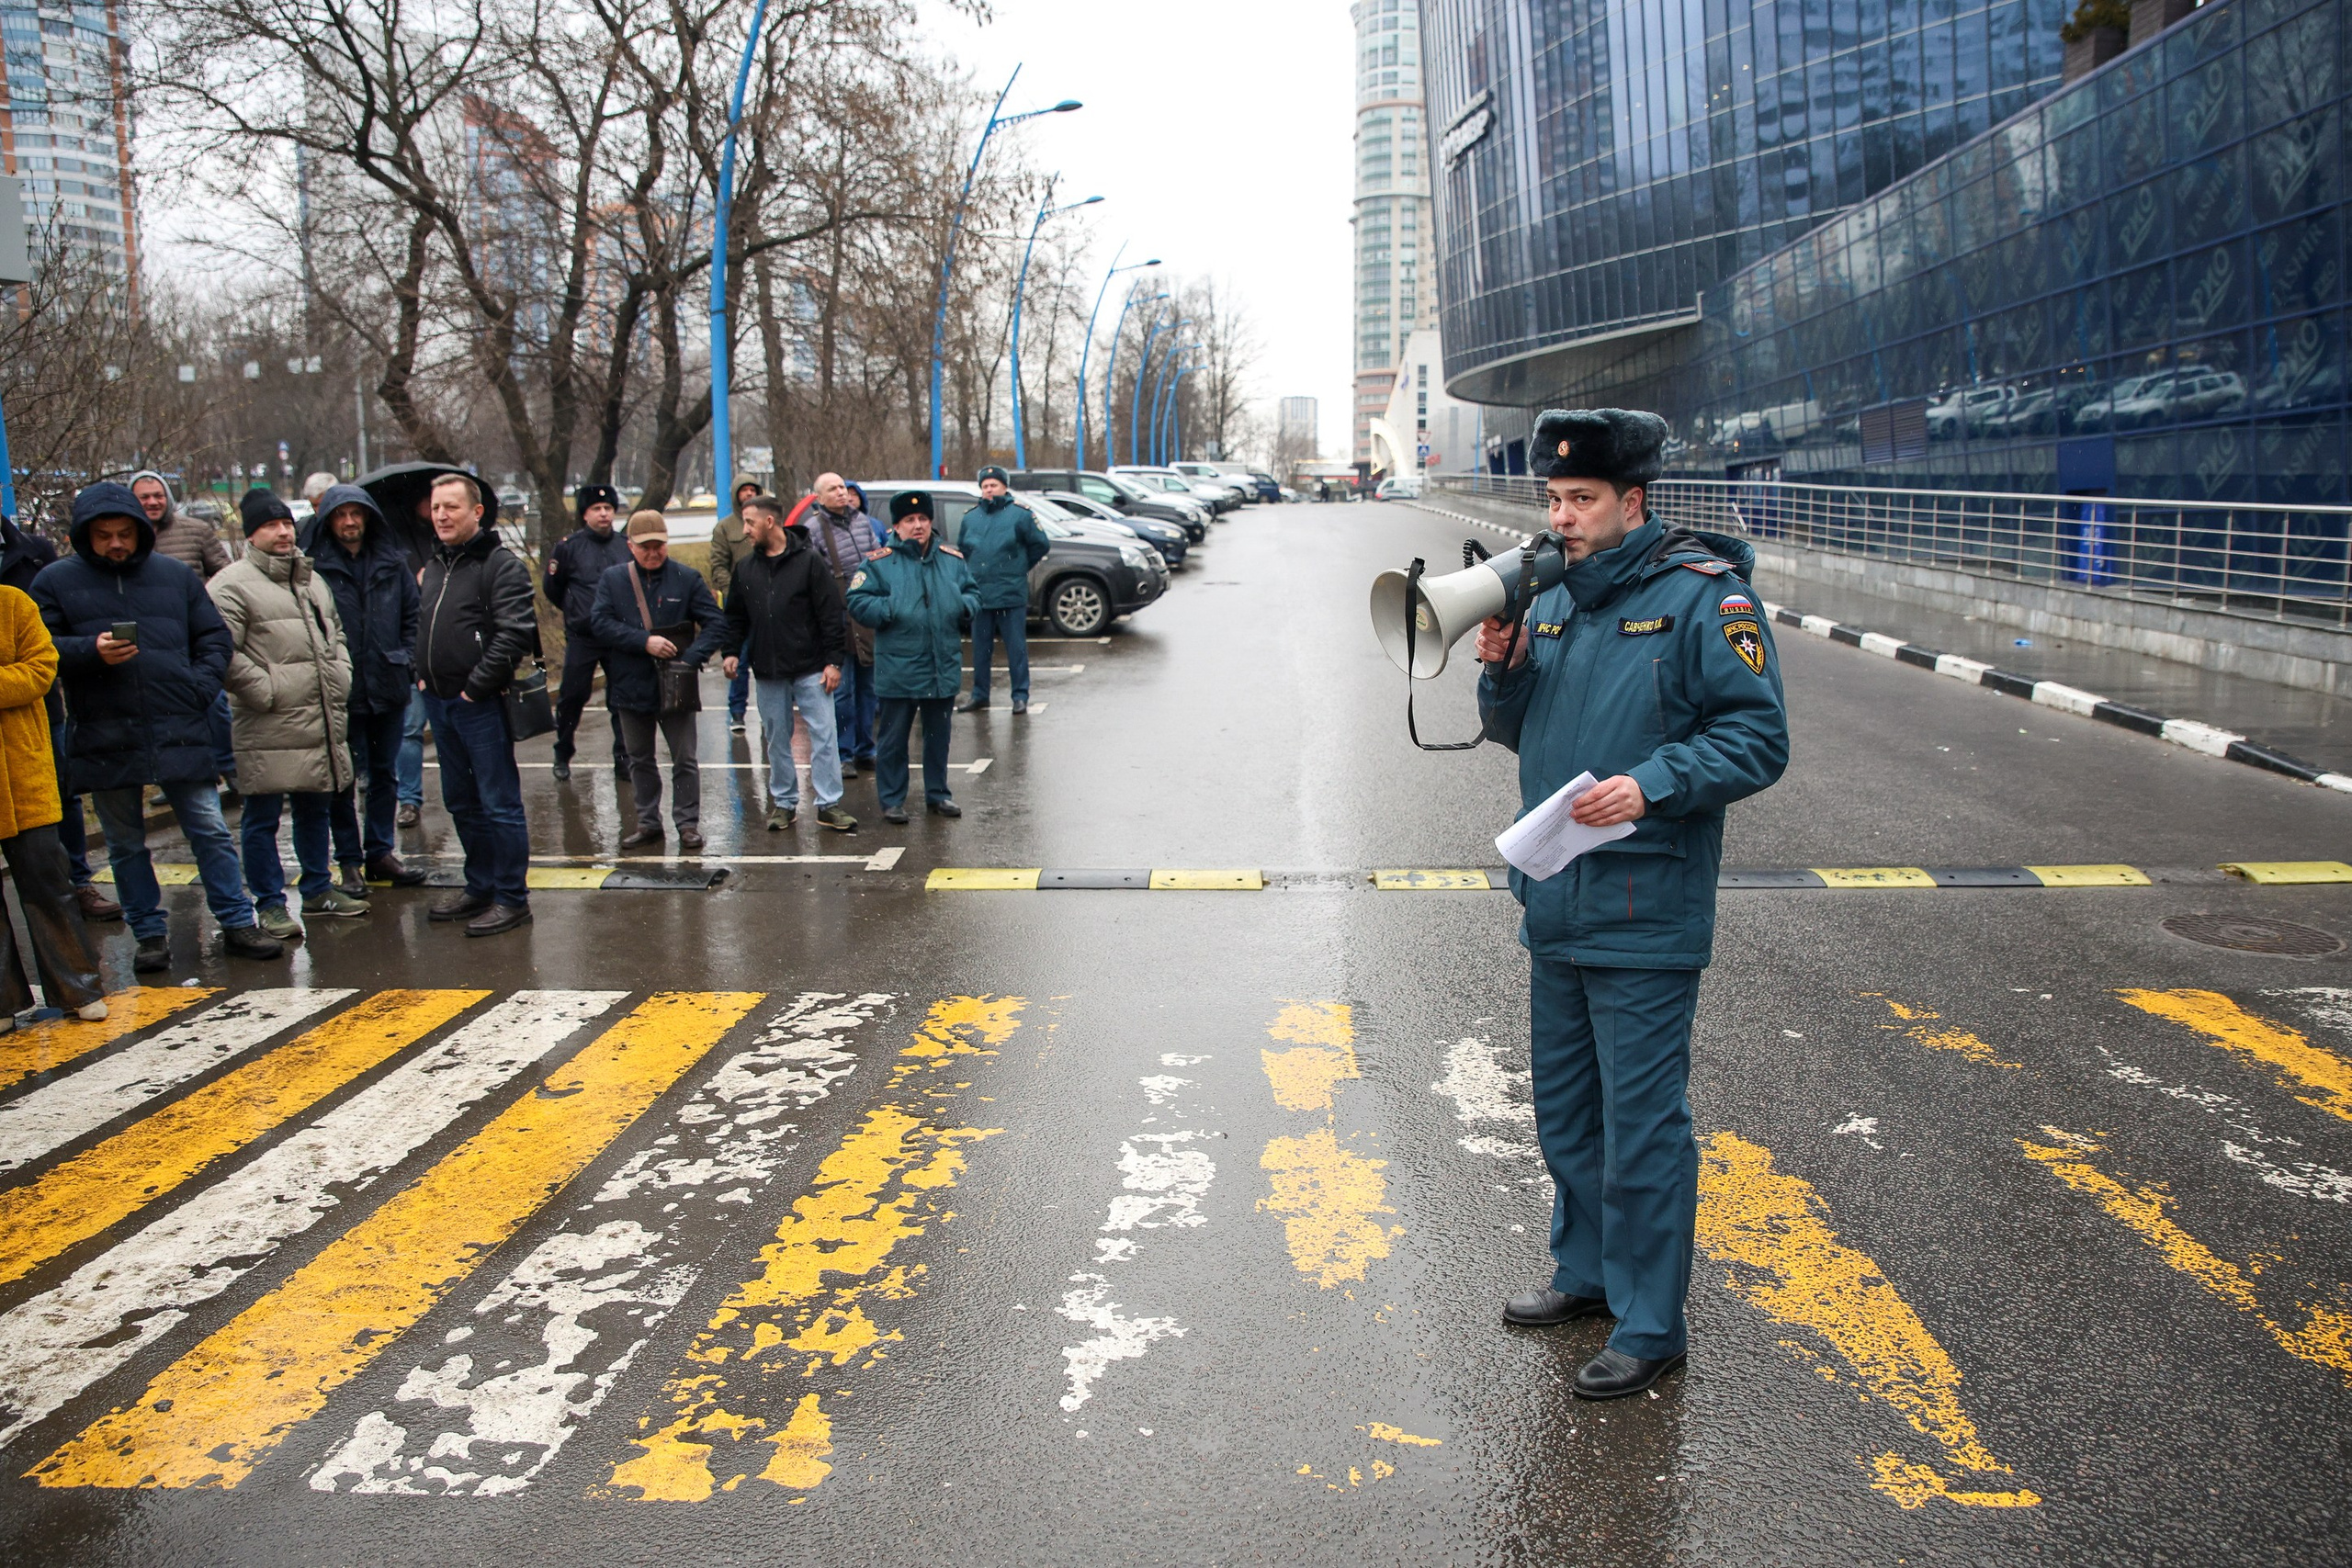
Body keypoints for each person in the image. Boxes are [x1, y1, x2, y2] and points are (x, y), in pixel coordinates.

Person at [1475, 409, 1789, 1400]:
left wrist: (1654, 782)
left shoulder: (1706, 602)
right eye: (1554, 500)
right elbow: (1513, 731)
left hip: (1645, 910)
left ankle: (1652, 1323)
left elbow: (1756, 740)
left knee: (1644, 1126)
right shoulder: (1555, 598)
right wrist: (1503, 668)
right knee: (1568, 1113)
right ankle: (1586, 1275)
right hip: (1558, 894)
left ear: (1632, 502)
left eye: (1581, 500)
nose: (1561, 518)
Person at [32, 482, 282, 970]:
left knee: (209, 829)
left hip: (179, 722)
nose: (116, 544)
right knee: (125, 843)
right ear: (85, 536)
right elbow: (41, 648)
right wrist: (90, 652)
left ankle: (236, 922)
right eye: (104, 535)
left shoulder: (172, 576)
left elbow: (213, 636)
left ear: (141, 532)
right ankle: (149, 934)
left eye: (125, 533)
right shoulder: (56, 581)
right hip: (105, 730)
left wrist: (199, 686)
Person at [212, 489, 366, 937]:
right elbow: (220, 650)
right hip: (267, 721)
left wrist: (341, 673)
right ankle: (270, 903)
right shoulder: (230, 585)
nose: (282, 532)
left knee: (315, 807)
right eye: (270, 525)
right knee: (261, 817)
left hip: (318, 715)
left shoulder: (310, 578)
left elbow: (334, 633)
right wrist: (267, 688)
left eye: (286, 524)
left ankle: (318, 888)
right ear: (251, 534)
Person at [414, 471, 536, 936]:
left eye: (452, 507)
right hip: (439, 703)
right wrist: (420, 675)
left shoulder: (499, 564)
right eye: (437, 507)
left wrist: (474, 689)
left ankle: (511, 897)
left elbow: (513, 635)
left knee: (498, 803)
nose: (442, 515)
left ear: (477, 512)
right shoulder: (437, 565)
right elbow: (420, 625)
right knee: (461, 802)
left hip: (478, 705)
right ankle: (480, 885)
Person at [308, 484, 427, 892]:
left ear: (368, 518)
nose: (349, 522)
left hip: (389, 683)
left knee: (384, 775)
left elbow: (413, 615)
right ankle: (349, 861)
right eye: (341, 515)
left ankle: (379, 852)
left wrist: (406, 658)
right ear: (329, 521)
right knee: (342, 779)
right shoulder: (316, 567)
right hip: (341, 688)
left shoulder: (393, 562)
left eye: (356, 514)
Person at [0, 510, 116, 925]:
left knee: (52, 826)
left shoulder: (31, 555)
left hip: (33, 724)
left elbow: (42, 658)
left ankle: (78, 882)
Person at [0, 581, 106, 1026]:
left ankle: (77, 990)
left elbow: (42, 669)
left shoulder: (14, 603)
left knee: (48, 882)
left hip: (23, 774)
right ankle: (3, 1003)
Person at [591, 510, 724, 852]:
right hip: (630, 684)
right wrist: (642, 641)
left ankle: (687, 823)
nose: (653, 553)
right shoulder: (613, 579)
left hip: (677, 685)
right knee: (639, 758)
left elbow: (716, 624)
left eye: (659, 546)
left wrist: (690, 659)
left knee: (684, 758)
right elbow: (600, 624)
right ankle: (648, 821)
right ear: (631, 546)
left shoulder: (686, 578)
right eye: (645, 547)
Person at [721, 497, 854, 833]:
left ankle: (828, 804)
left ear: (770, 522)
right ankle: (784, 803)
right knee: (776, 739)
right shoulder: (746, 568)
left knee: (824, 736)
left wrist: (833, 662)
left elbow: (830, 615)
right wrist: (731, 651)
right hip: (768, 670)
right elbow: (735, 616)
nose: (746, 530)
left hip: (811, 668)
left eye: (750, 523)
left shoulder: (809, 562)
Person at [846, 491, 978, 825]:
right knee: (893, 741)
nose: (918, 526)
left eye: (923, 519)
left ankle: (938, 794)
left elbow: (973, 593)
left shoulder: (951, 559)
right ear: (897, 526)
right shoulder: (879, 562)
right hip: (899, 666)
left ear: (931, 522)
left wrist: (963, 607)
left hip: (941, 664)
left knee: (938, 738)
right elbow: (857, 600)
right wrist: (889, 609)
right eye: (910, 520)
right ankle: (892, 800)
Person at [130, 470, 235, 794]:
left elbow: (226, 575)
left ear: (168, 497)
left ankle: (231, 770)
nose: (152, 502)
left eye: (157, 495)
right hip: (150, 641)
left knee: (214, 704)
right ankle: (172, 779)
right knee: (164, 711)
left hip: (195, 636)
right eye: (143, 497)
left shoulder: (196, 531)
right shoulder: (126, 536)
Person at [544, 482, 632, 785]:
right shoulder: (568, 548)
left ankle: (624, 759)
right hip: (584, 636)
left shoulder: (624, 544)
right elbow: (552, 588)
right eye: (597, 509)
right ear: (585, 514)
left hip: (618, 634)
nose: (604, 514)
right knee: (572, 697)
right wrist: (575, 610)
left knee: (621, 699)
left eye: (608, 508)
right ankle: (562, 753)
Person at [803, 475, 887, 777]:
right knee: (843, 690)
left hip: (866, 614)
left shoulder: (863, 522)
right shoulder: (814, 529)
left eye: (843, 488)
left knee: (869, 689)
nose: (841, 494)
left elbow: (877, 558)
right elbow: (812, 577)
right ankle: (844, 752)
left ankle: (866, 749)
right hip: (836, 617)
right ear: (819, 497)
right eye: (833, 490)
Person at [955, 465, 1049, 715]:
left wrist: (1018, 568)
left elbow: (1040, 545)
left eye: (993, 485)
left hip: (1010, 593)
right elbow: (964, 549)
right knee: (980, 650)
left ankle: (1020, 696)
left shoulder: (1020, 515)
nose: (989, 490)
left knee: (1016, 648)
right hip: (979, 594)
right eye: (985, 486)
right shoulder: (970, 517)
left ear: (1004, 487)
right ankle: (980, 695)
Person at [705, 478, 762, 733]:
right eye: (744, 490)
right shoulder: (725, 528)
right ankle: (737, 712)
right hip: (740, 607)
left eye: (753, 490)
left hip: (768, 603)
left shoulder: (766, 521)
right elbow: (718, 565)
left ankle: (769, 712)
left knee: (769, 661)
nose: (748, 494)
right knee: (738, 658)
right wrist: (735, 593)